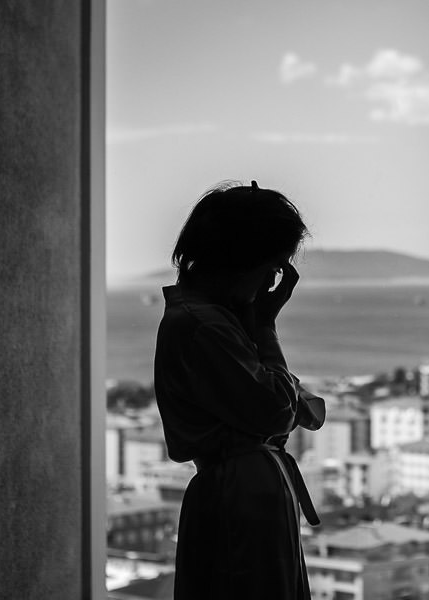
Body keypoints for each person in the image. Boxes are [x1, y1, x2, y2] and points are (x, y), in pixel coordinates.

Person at [154, 180, 326, 599]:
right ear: (239, 259)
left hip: (246, 492)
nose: (272, 280)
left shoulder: (212, 322)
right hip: (242, 500)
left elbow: (290, 407)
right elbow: (278, 410)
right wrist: (265, 326)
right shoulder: (203, 326)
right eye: (272, 265)